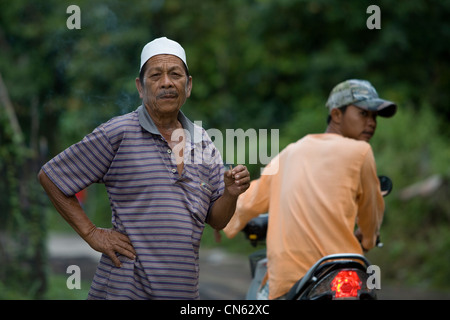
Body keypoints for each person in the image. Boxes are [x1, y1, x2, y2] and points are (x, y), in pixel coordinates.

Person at [38, 37, 250, 300]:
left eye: (175, 74)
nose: (167, 83)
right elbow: (52, 177)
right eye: (155, 75)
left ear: (189, 85)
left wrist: (230, 193)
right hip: (123, 291)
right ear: (140, 87)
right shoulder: (118, 133)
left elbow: (217, 220)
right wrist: (92, 233)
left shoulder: (204, 141)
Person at [223, 79, 397, 299]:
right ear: (336, 115)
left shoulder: (290, 153)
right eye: (364, 114)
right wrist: (368, 239)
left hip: (291, 280)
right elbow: (371, 213)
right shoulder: (361, 152)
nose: (371, 122)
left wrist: (222, 218)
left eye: (374, 116)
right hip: (343, 273)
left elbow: (246, 200)